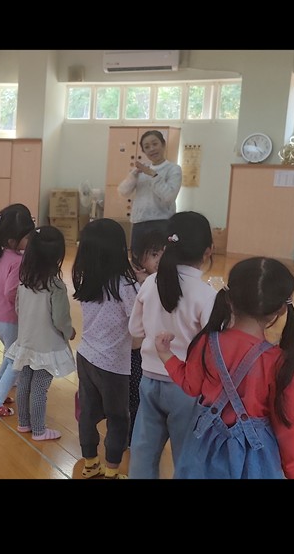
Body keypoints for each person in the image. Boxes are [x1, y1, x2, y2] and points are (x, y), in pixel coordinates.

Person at [155, 256, 294, 479]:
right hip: (254, 458)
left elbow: (191, 385)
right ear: (281, 309)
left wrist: (166, 355)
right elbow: (287, 425)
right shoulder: (279, 362)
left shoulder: (206, 342)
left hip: (204, 449)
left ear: (229, 299)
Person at [128, 211, 216, 479]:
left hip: (149, 379)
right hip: (187, 387)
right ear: (208, 251)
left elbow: (135, 330)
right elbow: (214, 346)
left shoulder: (150, 282)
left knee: (143, 450)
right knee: (187, 455)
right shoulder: (206, 294)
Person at [71, 218, 137, 478]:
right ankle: (112, 471)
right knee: (118, 417)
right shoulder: (126, 285)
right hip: (112, 364)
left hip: (86, 355)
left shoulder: (86, 278)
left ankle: (90, 463)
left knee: (87, 413)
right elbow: (137, 324)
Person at [5, 225, 76, 441]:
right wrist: (69, 331)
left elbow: (18, 308)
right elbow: (60, 319)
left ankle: (23, 423)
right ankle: (39, 430)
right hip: (47, 346)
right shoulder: (55, 285)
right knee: (39, 388)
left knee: (25, 382)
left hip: (26, 341)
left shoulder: (25, 281)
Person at [0, 204, 35, 417]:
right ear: (13, 240)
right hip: (11, 318)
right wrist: (25, 307)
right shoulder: (19, 261)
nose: (30, 241)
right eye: (27, 237)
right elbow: (12, 291)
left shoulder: (0, 255)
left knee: (9, 356)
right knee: (16, 360)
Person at [116, 129, 183, 266]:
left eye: (155, 144)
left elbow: (169, 196)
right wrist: (133, 176)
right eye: (147, 147)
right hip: (139, 223)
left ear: (163, 145)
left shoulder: (173, 169)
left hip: (162, 223)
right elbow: (123, 191)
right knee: (137, 262)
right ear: (144, 151)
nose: (152, 149)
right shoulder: (141, 170)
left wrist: (153, 175)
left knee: (159, 263)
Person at [126, 229, 167, 446]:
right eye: (153, 255)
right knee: (135, 396)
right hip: (136, 350)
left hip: (152, 350)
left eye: (163, 254)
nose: (159, 260)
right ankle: (132, 437)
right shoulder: (135, 283)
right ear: (139, 258)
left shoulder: (159, 280)